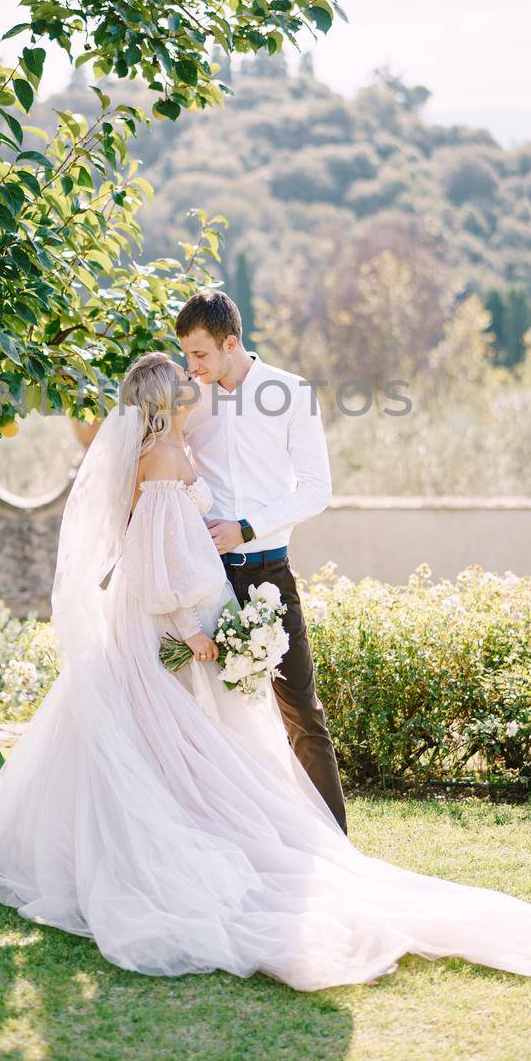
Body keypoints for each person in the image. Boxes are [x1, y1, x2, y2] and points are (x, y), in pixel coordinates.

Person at [0, 350, 531, 991]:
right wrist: (192, 631)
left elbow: (235, 507)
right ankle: (166, 847)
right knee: (162, 741)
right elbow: (150, 561)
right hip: (172, 627)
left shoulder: (185, 444)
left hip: (203, 607)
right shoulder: (162, 459)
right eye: (182, 377)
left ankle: (238, 833)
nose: (192, 378)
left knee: (182, 742)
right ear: (165, 402)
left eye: (195, 363)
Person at [176, 289, 347, 830]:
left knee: (300, 709)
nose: (192, 366)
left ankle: (333, 840)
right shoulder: (189, 398)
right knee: (202, 710)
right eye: (186, 354)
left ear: (232, 343)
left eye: (201, 354)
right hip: (206, 578)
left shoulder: (291, 393)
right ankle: (214, 837)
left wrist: (245, 527)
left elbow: (317, 489)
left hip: (269, 573)